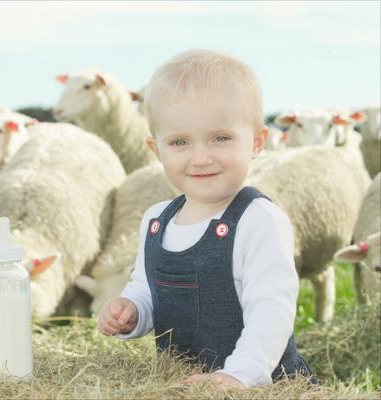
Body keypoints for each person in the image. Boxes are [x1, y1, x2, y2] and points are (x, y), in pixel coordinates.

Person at [97, 49, 315, 390]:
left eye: (221, 138)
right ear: (157, 150)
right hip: (186, 384)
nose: (200, 158)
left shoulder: (258, 220)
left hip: (260, 385)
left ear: (257, 142)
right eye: (180, 142)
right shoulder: (156, 221)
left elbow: (272, 311)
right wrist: (131, 311)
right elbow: (146, 289)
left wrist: (238, 375)